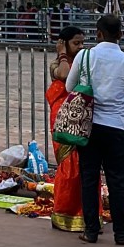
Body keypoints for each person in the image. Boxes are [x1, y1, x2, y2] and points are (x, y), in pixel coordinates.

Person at [66, 12, 124, 245]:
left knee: (89, 179)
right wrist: (116, 97)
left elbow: (70, 86)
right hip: (115, 127)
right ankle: (122, 232)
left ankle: (91, 230)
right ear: (120, 34)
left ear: (98, 34)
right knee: (117, 181)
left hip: (89, 127)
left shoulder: (85, 55)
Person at [44, 26, 91, 233]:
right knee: (69, 165)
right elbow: (64, 75)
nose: (80, 47)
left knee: (83, 165)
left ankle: (84, 212)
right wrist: (62, 53)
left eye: (82, 43)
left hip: (80, 116)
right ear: (63, 44)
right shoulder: (57, 63)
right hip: (62, 117)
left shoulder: (86, 61)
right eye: (76, 43)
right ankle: (65, 213)